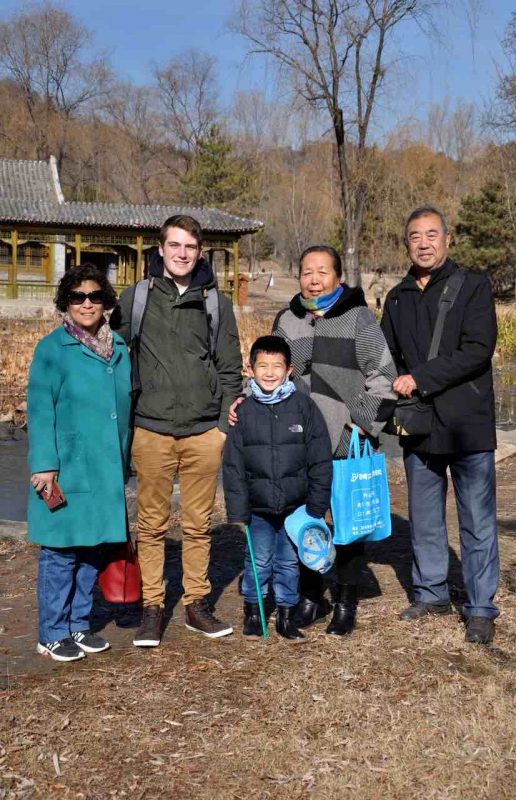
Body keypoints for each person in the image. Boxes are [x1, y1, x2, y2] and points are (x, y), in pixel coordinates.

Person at [229, 245, 396, 635]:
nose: (314, 278)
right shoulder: (288, 319)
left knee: (346, 523)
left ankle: (345, 601)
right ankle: (309, 595)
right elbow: (271, 370)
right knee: (302, 521)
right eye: (306, 271)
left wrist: (362, 420)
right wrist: (246, 399)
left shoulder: (358, 319)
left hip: (344, 441)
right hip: (296, 442)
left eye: (323, 271)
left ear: (338, 277)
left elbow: (383, 374)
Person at [110, 215, 242, 646]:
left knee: (199, 523)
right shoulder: (138, 298)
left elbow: (229, 369)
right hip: (151, 429)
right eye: (175, 246)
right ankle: (151, 606)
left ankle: (195, 604)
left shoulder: (216, 303)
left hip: (204, 431)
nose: (182, 254)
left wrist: (222, 427)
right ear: (160, 249)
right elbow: (110, 352)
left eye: (190, 247)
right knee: (150, 524)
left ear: (199, 251)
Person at [380, 205, 499, 645]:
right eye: (415, 236)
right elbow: (386, 357)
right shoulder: (396, 297)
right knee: (425, 516)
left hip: (467, 421)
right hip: (420, 423)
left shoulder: (472, 285)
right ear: (406, 244)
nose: (424, 242)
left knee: (477, 519)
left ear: (447, 240)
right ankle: (431, 592)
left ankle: (481, 606)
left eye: (432, 234)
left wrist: (420, 379)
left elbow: (477, 349)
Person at [27, 264, 132, 662]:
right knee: (60, 550)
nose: (86, 303)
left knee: (92, 548)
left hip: (105, 466)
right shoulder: (51, 349)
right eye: (77, 296)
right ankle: (51, 631)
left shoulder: (118, 348)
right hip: (66, 465)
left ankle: (77, 625)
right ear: (65, 302)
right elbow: (39, 411)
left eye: (94, 296)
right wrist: (44, 465)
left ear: (106, 302)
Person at [223, 336, 332, 642]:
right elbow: (232, 466)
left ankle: (285, 612)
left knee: (288, 560)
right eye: (262, 366)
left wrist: (317, 504)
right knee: (258, 560)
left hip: (295, 507)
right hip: (257, 509)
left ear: (290, 370)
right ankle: (255, 610)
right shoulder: (243, 411)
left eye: (277, 366)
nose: (269, 373)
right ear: (250, 368)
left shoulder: (303, 407)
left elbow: (320, 458)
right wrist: (238, 510)